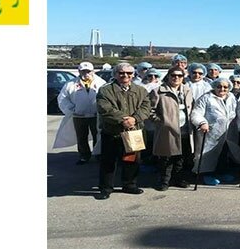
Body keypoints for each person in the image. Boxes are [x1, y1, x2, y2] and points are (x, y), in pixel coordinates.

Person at [95, 63, 152, 199]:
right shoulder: (105, 90)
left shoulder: (141, 90)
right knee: (109, 161)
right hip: (112, 132)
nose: (125, 75)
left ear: (133, 75)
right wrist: (123, 120)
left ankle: (129, 185)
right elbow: (105, 108)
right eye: (121, 73)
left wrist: (134, 119)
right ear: (115, 74)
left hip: (134, 132)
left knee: (131, 160)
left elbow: (146, 107)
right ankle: (106, 188)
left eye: (129, 73)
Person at [149, 66, 195, 191]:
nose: (176, 78)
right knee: (166, 157)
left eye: (179, 76)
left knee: (181, 157)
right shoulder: (158, 91)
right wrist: (161, 122)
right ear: (168, 76)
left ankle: (178, 179)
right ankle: (164, 181)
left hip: (185, 129)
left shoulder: (187, 90)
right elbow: (150, 110)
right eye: (173, 75)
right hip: (167, 130)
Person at [190, 78, 238, 186]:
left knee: (224, 153)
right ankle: (205, 174)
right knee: (207, 154)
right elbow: (196, 113)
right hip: (210, 132)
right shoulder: (206, 98)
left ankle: (221, 173)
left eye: (225, 87)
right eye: (219, 86)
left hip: (228, 132)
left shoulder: (232, 98)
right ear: (214, 86)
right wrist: (202, 122)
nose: (222, 89)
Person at [57, 62, 102, 165]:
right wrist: (71, 110)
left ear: (93, 71)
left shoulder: (100, 83)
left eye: (88, 71)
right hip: (79, 116)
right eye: (83, 71)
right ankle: (84, 156)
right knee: (81, 137)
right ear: (79, 71)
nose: (86, 74)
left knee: (98, 136)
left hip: (96, 115)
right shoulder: (70, 84)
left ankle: (98, 154)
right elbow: (63, 98)